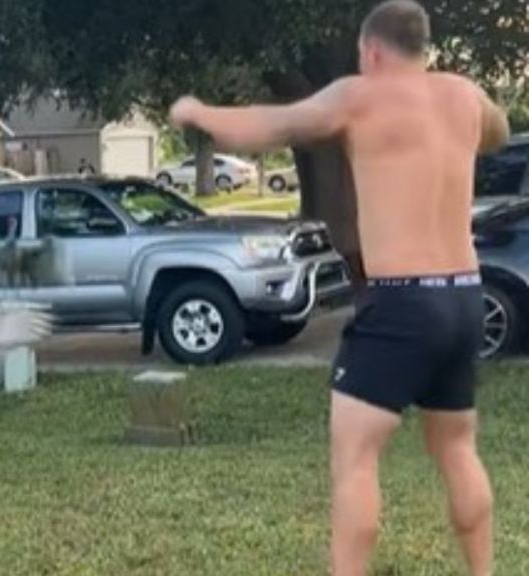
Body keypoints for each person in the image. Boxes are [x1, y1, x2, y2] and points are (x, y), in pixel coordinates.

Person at [169, 1, 509, 575]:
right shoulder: (465, 96)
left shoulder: (359, 95)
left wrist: (198, 110)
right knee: (456, 449)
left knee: (355, 460)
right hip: (464, 296)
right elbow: (497, 133)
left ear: (371, 51)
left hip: (404, 301)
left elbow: (267, 125)